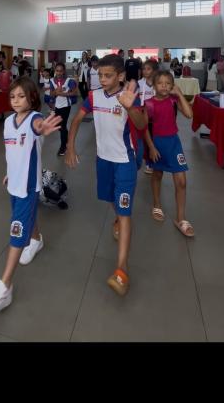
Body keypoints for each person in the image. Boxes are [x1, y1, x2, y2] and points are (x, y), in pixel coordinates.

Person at [0, 78, 63, 314]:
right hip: (13, 183)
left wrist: (42, 129)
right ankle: (36, 240)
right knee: (25, 218)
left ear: (32, 98)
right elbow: (12, 152)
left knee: (16, 231)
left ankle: (4, 286)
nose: (15, 101)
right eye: (12, 96)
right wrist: (9, 172)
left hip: (27, 187)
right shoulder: (7, 122)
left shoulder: (35, 119)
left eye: (21, 96)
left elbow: (38, 127)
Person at [64, 55, 148, 296]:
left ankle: (122, 269)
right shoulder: (93, 96)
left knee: (125, 211)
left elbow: (141, 124)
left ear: (120, 76)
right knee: (111, 200)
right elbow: (76, 120)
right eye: (100, 75)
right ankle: (118, 219)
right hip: (103, 160)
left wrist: (130, 107)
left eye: (108, 75)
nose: (102, 79)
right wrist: (70, 146)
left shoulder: (129, 96)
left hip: (125, 162)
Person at [142, 70, 195, 237]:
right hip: (157, 144)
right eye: (160, 83)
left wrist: (179, 94)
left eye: (168, 83)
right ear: (154, 85)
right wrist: (151, 147)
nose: (164, 86)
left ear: (172, 85)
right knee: (157, 174)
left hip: (174, 144)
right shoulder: (148, 104)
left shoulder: (173, 100)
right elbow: (144, 128)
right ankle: (157, 204)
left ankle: (181, 218)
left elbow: (189, 114)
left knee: (181, 181)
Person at [47, 62, 78, 157]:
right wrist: (56, 92)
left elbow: (74, 93)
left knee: (62, 126)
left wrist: (62, 94)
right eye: (57, 71)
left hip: (66, 106)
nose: (59, 73)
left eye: (61, 71)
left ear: (64, 71)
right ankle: (67, 142)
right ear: (55, 71)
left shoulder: (69, 81)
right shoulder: (52, 81)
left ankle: (63, 147)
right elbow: (51, 94)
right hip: (57, 106)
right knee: (59, 126)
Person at [136, 59, 160, 174]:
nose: (145, 71)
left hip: (156, 116)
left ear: (154, 71)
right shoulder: (139, 84)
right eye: (143, 69)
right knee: (144, 140)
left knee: (155, 139)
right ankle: (148, 163)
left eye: (148, 69)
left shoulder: (158, 84)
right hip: (142, 116)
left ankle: (155, 160)